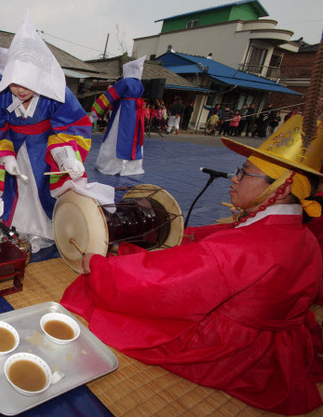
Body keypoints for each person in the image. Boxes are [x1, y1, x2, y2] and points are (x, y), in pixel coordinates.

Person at [60, 113, 323, 415]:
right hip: (285, 343)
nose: (233, 178)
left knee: (103, 300)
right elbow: (214, 243)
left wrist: (100, 266)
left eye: (244, 173)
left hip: (236, 349)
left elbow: (164, 283)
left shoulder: (243, 248)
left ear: (281, 188)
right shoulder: (303, 236)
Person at [0, 12, 92, 251]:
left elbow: (73, 125)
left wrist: (65, 156)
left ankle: (44, 230)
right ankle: (12, 227)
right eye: (14, 82)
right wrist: (5, 155)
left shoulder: (58, 93)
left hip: (45, 149)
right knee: (13, 188)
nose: (20, 90)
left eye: (27, 83)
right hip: (13, 145)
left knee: (40, 190)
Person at [94, 56, 146, 176]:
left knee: (115, 136)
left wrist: (96, 111)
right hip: (136, 114)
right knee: (134, 138)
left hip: (123, 113)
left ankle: (110, 165)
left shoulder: (124, 82)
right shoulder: (139, 84)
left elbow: (109, 96)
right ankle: (132, 167)